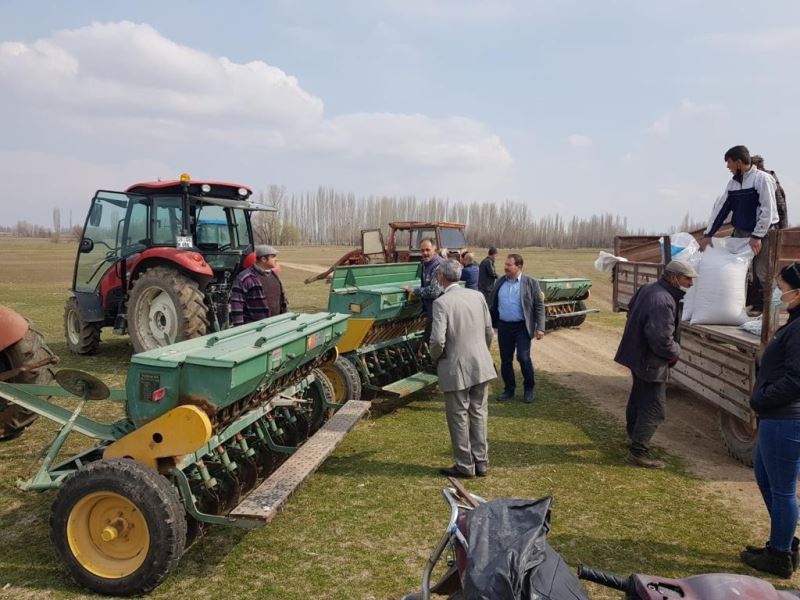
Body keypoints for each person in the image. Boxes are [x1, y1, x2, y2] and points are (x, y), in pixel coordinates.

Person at [740, 262, 800, 578]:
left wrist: (762, 398)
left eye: (782, 286)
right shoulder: (793, 322)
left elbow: (796, 378)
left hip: (786, 420)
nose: (777, 291)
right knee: (765, 480)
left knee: (783, 491)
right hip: (774, 418)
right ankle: (783, 540)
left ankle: (780, 556)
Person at [614, 259, 698, 468]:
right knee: (654, 407)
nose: (691, 283)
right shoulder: (663, 300)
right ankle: (638, 452)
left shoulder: (649, 289)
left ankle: (633, 437)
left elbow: (632, 310)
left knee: (638, 397)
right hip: (650, 359)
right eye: (687, 278)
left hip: (637, 355)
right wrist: (675, 352)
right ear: (673, 277)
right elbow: (661, 339)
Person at [429, 259, 496, 478]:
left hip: (456, 367)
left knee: (458, 416)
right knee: (478, 413)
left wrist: (435, 359)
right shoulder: (477, 296)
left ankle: (465, 465)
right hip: (481, 364)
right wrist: (482, 353)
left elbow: (437, 341)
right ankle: (481, 462)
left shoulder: (442, 302)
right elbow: (489, 331)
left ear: (441, 277)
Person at [700, 145, 778, 312]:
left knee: (763, 271)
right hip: (741, 233)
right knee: (741, 270)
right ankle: (749, 306)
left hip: (763, 233)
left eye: (729, 163)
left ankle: (770, 312)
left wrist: (757, 236)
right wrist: (708, 234)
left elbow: (768, 210)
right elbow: (721, 210)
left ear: (738, 162)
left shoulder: (761, 179)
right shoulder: (733, 184)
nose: (727, 167)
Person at [488, 254, 545, 403]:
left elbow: (539, 306)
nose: (505, 267)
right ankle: (509, 389)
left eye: (509, 265)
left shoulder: (531, 283)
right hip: (504, 326)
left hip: (522, 327)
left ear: (519, 267)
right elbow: (492, 304)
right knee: (506, 360)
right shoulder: (500, 281)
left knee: (523, 358)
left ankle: (528, 389)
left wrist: (540, 327)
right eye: (505, 264)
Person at [229, 245, 287, 326]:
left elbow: (282, 301)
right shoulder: (244, 278)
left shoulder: (274, 275)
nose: (277, 259)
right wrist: (240, 329)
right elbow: (236, 306)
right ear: (263, 259)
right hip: (255, 329)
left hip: (276, 325)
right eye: (273, 256)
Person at [402, 238, 444, 339]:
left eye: (428, 250)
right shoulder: (426, 264)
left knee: (434, 340)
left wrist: (414, 290)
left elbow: (434, 291)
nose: (425, 253)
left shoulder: (438, 266)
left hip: (439, 312)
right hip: (432, 310)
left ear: (435, 249)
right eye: (422, 250)